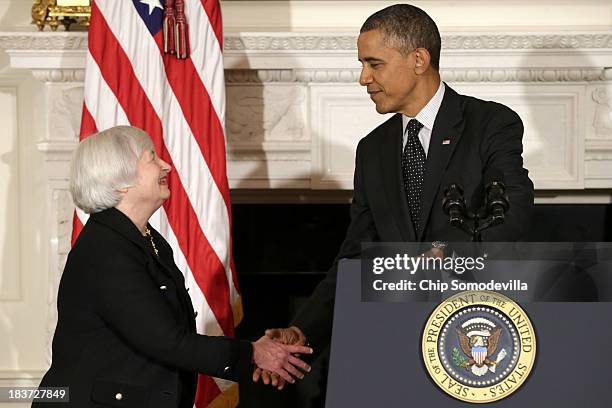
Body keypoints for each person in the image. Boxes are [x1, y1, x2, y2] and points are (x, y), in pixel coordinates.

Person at [254, 3, 534, 388]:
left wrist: (439, 258)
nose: (363, 78)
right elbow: (355, 256)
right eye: (362, 65)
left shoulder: (490, 124)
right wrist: (304, 330)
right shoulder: (373, 149)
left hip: (472, 337)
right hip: (397, 346)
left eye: (374, 64)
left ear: (418, 59)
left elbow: (511, 218)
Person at [34, 126, 312, 407]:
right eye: (152, 158)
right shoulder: (106, 250)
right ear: (119, 181)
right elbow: (168, 342)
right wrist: (253, 354)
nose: (165, 165)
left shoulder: (148, 241)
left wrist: (258, 357)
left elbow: (172, 336)